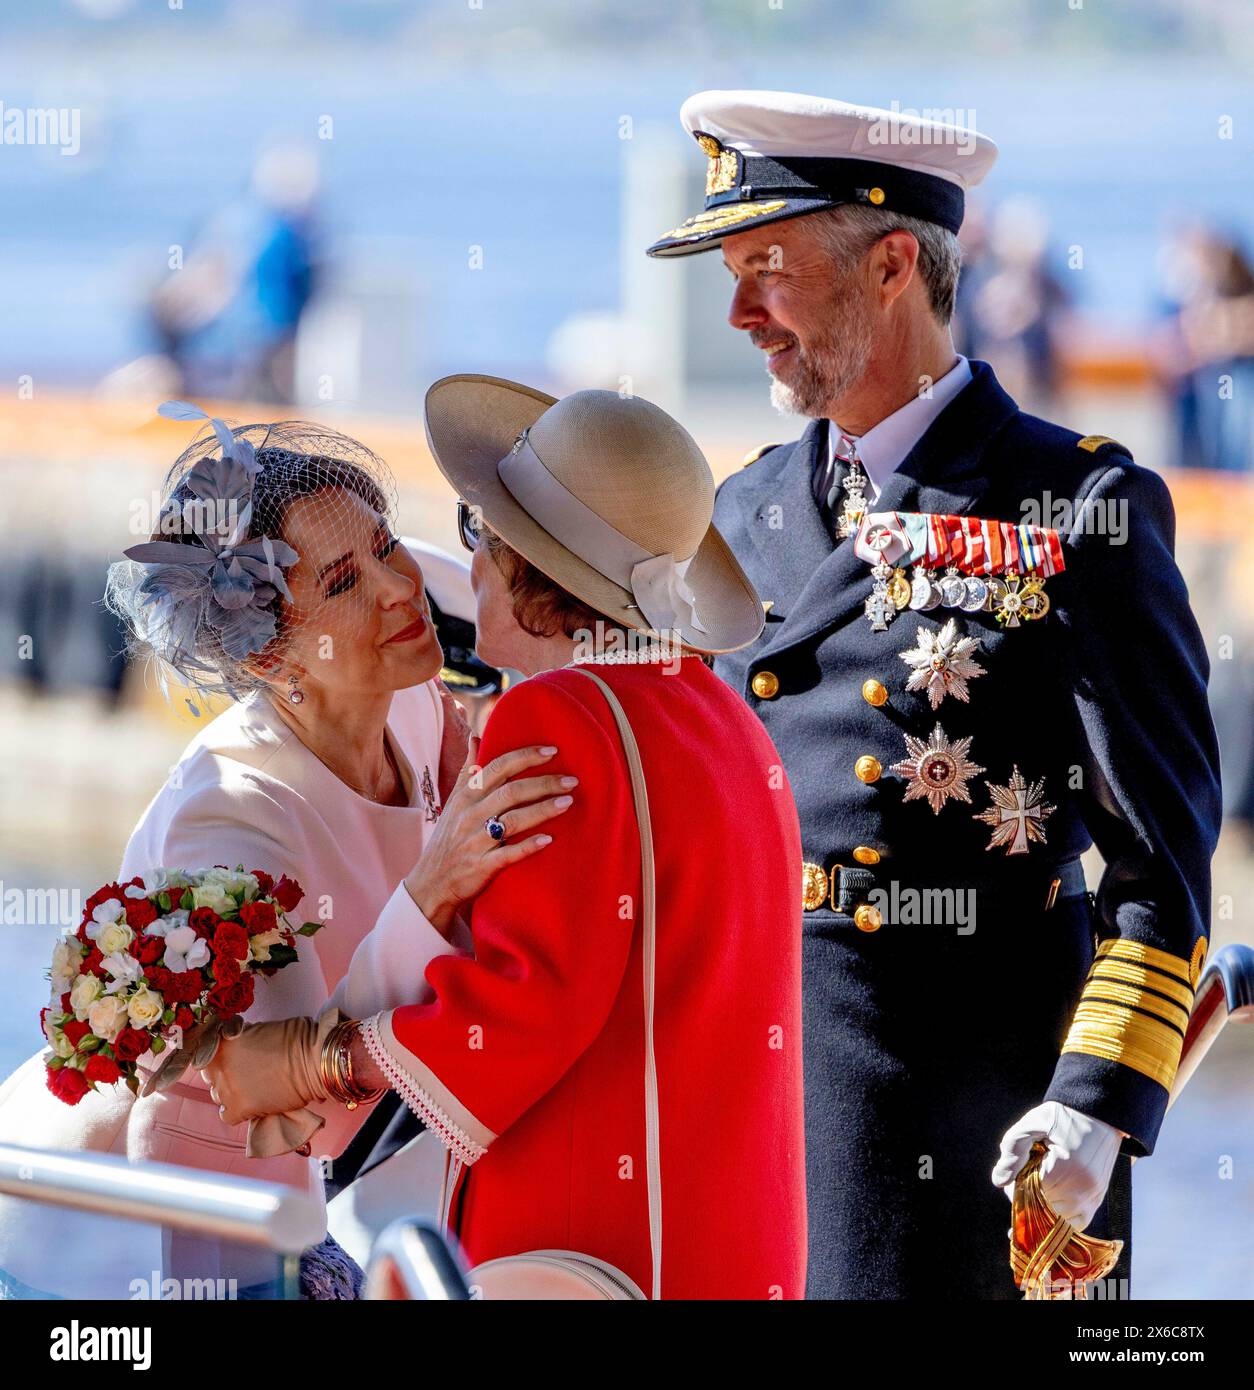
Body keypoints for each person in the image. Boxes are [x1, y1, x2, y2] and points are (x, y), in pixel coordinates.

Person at [645, 89, 1221, 1298]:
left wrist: (1096, 1110)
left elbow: (1160, 865)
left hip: (983, 1131)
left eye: (768, 269)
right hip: (755, 1106)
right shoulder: (743, 511)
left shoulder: (1075, 508)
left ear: (894, 261)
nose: (743, 314)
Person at [204, 380, 808, 1300]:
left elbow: (516, 1014)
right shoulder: (723, 713)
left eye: (481, 531)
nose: (464, 562)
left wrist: (302, 1061)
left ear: (531, 567)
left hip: (595, 1254)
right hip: (729, 1241)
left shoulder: (558, 712)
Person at [0, 407, 566, 1299]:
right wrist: (432, 887)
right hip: (118, 1223)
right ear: (269, 655)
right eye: (345, 581)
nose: (400, 587)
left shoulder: (413, 703)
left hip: (288, 1190)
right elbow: (294, 1110)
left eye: (386, 544)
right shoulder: (229, 819)